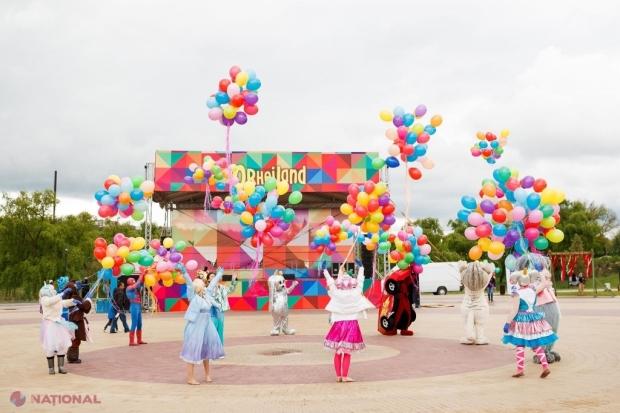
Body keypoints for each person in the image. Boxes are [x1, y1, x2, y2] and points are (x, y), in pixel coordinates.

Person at [323, 259, 374, 383]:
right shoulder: (356, 292)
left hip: (338, 324)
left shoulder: (337, 293)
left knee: (337, 351)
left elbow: (330, 283)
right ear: (352, 283)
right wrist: (361, 268)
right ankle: (345, 376)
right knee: (347, 352)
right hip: (351, 324)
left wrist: (325, 270)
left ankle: (338, 376)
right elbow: (361, 282)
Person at [502, 269, 558, 378]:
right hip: (533, 318)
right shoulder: (533, 290)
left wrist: (507, 322)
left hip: (521, 320)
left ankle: (520, 370)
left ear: (518, 281)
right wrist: (540, 273)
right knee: (535, 344)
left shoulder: (517, 293)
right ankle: (545, 367)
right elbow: (543, 284)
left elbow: (514, 309)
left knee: (520, 344)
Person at [177, 264, 225, 385]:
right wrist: (184, 271)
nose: (205, 287)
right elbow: (188, 283)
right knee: (192, 350)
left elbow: (212, 284)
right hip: (196, 326)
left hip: (207, 325)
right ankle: (190, 378)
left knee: (207, 349)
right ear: (198, 287)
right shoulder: (193, 297)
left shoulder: (207, 296)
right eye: (203, 285)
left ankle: (207, 375)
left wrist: (219, 274)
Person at [39, 283, 79, 374]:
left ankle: (61, 367)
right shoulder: (44, 299)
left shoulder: (56, 299)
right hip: (50, 325)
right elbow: (50, 302)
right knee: (51, 347)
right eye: (53, 289)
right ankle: (51, 368)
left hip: (59, 324)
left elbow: (63, 303)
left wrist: (73, 301)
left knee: (61, 346)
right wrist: (61, 294)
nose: (54, 291)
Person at [207, 269, 239, 345]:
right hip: (212, 312)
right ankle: (212, 346)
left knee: (220, 329)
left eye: (215, 276)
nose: (214, 277)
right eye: (212, 276)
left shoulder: (222, 287)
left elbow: (231, 290)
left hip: (221, 312)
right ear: (208, 279)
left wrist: (233, 280)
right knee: (213, 329)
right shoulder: (208, 289)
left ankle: (220, 345)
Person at [66, 281, 93, 364]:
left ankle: (72, 357)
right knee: (76, 338)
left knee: (75, 338)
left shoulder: (69, 296)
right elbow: (83, 306)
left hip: (73, 319)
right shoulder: (74, 297)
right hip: (76, 320)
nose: (78, 287)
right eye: (76, 286)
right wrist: (88, 299)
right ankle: (72, 357)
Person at [126, 273, 147, 346]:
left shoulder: (135, 288)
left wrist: (143, 276)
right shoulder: (129, 288)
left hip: (138, 306)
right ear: (130, 282)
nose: (134, 281)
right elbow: (136, 284)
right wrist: (141, 276)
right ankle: (131, 341)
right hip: (134, 306)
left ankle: (139, 339)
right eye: (133, 280)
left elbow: (140, 283)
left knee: (139, 323)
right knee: (134, 323)